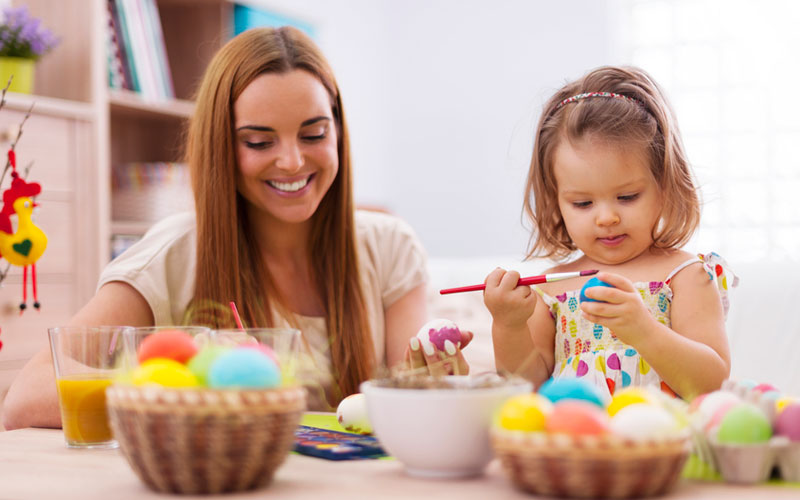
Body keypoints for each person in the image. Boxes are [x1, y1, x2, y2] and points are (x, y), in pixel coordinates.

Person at [2, 26, 470, 429]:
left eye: (313, 134)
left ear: (339, 131)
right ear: (221, 145)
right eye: (259, 141)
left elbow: (406, 397)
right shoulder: (171, 257)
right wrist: (178, 389)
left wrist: (433, 389)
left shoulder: (390, 247)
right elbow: (25, 399)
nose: (291, 161)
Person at [484, 66, 736, 401]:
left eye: (627, 197)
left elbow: (711, 384)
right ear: (556, 200)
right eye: (583, 203)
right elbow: (528, 388)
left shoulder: (686, 276)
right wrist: (509, 325)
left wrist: (643, 330)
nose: (606, 218)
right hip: (573, 449)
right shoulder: (552, 288)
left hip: (663, 444)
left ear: (664, 184)